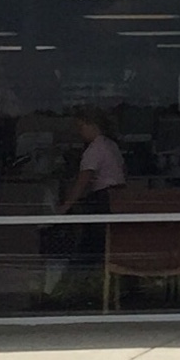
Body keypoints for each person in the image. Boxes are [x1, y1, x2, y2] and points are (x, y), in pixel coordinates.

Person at [63, 110, 126, 286]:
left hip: (103, 199)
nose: (79, 132)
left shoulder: (95, 149)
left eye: (81, 127)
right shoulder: (111, 145)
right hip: (119, 197)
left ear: (93, 125)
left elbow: (83, 180)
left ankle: (76, 283)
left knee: (90, 245)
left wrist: (67, 205)